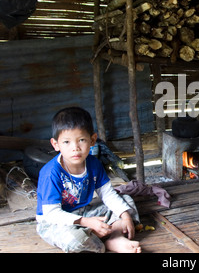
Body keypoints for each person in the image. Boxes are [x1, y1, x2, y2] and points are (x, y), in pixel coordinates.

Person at [36, 107, 141, 253]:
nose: (75, 148)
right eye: (66, 142)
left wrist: (125, 216)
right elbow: (52, 214)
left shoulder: (93, 164)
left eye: (81, 140)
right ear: (56, 144)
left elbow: (108, 194)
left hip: (84, 212)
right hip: (54, 222)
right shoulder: (51, 173)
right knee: (73, 239)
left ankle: (115, 237)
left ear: (92, 140)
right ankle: (97, 242)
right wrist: (86, 223)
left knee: (127, 202)